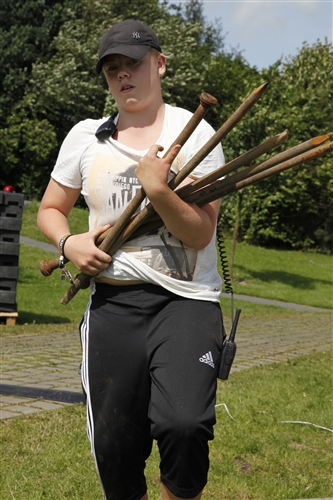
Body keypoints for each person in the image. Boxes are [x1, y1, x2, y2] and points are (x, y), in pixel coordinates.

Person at [37, 19, 225, 500]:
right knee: (114, 446)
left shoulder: (197, 133)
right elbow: (51, 210)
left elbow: (201, 233)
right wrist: (68, 244)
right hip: (113, 306)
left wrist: (158, 189)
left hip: (184, 302)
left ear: (159, 64)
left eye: (133, 64)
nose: (123, 76)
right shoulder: (86, 137)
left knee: (184, 424)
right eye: (112, 69)